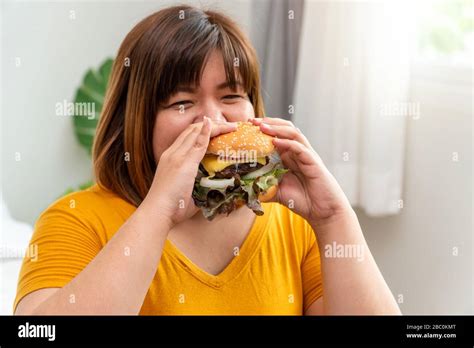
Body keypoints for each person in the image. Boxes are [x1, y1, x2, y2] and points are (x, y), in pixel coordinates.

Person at [14, 5, 400, 315]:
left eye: (231, 97)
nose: (213, 121)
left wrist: (333, 218)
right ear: (136, 119)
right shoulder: (75, 221)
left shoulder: (292, 226)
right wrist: (160, 210)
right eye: (182, 102)